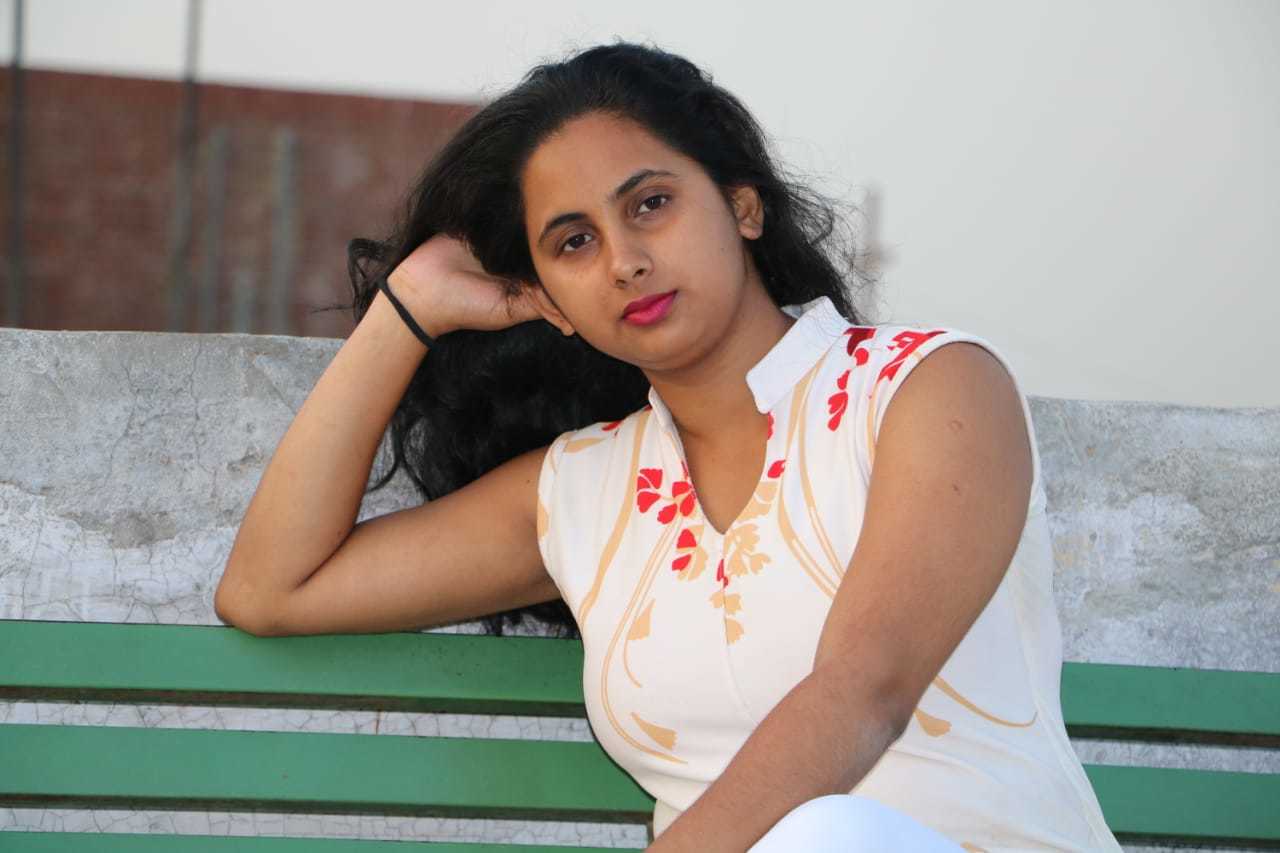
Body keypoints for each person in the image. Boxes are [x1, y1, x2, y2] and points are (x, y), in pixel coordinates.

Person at [213, 40, 1121, 852]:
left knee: (830, 835)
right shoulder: (580, 493)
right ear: (547, 294)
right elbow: (269, 588)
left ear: (742, 206)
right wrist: (406, 309)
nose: (624, 260)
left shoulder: (926, 389)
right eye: (573, 242)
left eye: (650, 203)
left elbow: (863, 690)